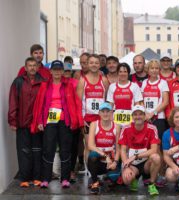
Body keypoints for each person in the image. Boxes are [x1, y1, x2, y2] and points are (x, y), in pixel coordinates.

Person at [31, 60, 82, 188]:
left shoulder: (69, 85)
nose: (58, 72)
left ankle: (65, 179)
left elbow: (74, 103)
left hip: (65, 120)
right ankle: (46, 179)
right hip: (50, 120)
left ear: (63, 71)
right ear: (51, 71)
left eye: (60, 69)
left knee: (65, 150)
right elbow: (40, 105)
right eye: (55, 69)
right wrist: (40, 121)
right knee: (49, 149)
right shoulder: (45, 86)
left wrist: (74, 120)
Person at [8, 57, 45, 187]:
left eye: (34, 65)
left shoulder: (43, 82)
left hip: (37, 125)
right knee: (23, 151)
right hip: (22, 123)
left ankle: (37, 177)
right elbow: (13, 102)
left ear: (38, 67)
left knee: (37, 151)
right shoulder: (18, 82)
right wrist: (13, 120)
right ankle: (24, 178)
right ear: (25, 67)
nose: (32, 68)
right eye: (29, 65)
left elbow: (46, 104)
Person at [76, 54, 109, 172]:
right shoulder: (82, 80)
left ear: (100, 65)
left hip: (102, 119)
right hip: (87, 119)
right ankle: (91, 174)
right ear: (87, 64)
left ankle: (103, 171)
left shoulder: (104, 80)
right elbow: (78, 103)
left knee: (103, 145)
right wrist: (81, 120)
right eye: (91, 62)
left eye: (96, 62)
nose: (94, 65)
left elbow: (107, 101)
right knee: (89, 147)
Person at [119, 105, 161, 196]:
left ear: (145, 116)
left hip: (146, 163)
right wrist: (126, 166)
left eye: (141, 114)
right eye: (135, 114)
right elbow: (122, 150)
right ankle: (134, 179)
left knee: (156, 157)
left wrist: (136, 156)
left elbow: (154, 150)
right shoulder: (126, 128)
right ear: (132, 117)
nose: (138, 117)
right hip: (132, 164)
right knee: (126, 180)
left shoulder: (152, 128)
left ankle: (152, 184)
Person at [87, 102, 121, 194]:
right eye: (103, 111)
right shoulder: (94, 124)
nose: (105, 114)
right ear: (99, 113)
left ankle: (108, 177)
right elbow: (90, 145)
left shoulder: (116, 126)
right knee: (92, 155)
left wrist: (116, 162)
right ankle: (95, 182)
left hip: (111, 160)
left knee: (114, 179)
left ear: (111, 113)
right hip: (98, 159)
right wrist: (105, 156)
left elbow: (118, 148)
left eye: (108, 111)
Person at [141, 59, 169, 139]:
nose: (154, 70)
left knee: (158, 142)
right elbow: (141, 100)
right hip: (146, 118)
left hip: (159, 118)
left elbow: (165, 102)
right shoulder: (144, 82)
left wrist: (153, 113)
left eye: (156, 68)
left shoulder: (163, 83)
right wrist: (146, 113)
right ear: (148, 70)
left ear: (159, 70)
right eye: (152, 68)